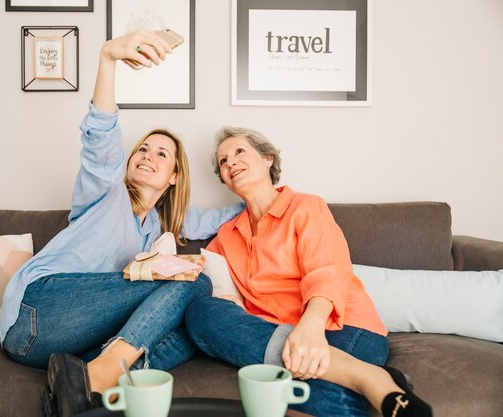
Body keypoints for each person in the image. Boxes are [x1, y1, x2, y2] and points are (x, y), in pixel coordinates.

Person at [0, 32, 243, 417]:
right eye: (142, 148)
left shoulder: (163, 225)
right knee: (193, 280)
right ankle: (99, 378)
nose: (147, 155)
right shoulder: (106, 192)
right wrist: (108, 58)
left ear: (174, 177)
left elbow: (225, 216)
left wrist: (258, 182)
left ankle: (81, 384)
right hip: (37, 313)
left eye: (161, 153)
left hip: (70, 346)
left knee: (192, 325)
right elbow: (101, 138)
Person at [185, 126, 433, 417]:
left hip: (340, 325)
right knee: (200, 312)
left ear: (268, 159)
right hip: (278, 335)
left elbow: (327, 268)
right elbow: (205, 280)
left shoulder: (305, 206)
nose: (230, 163)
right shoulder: (226, 235)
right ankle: (369, 376)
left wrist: (311, 328)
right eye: (223, 161)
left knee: (305, 400)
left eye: (239, 152)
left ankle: (366, 378)